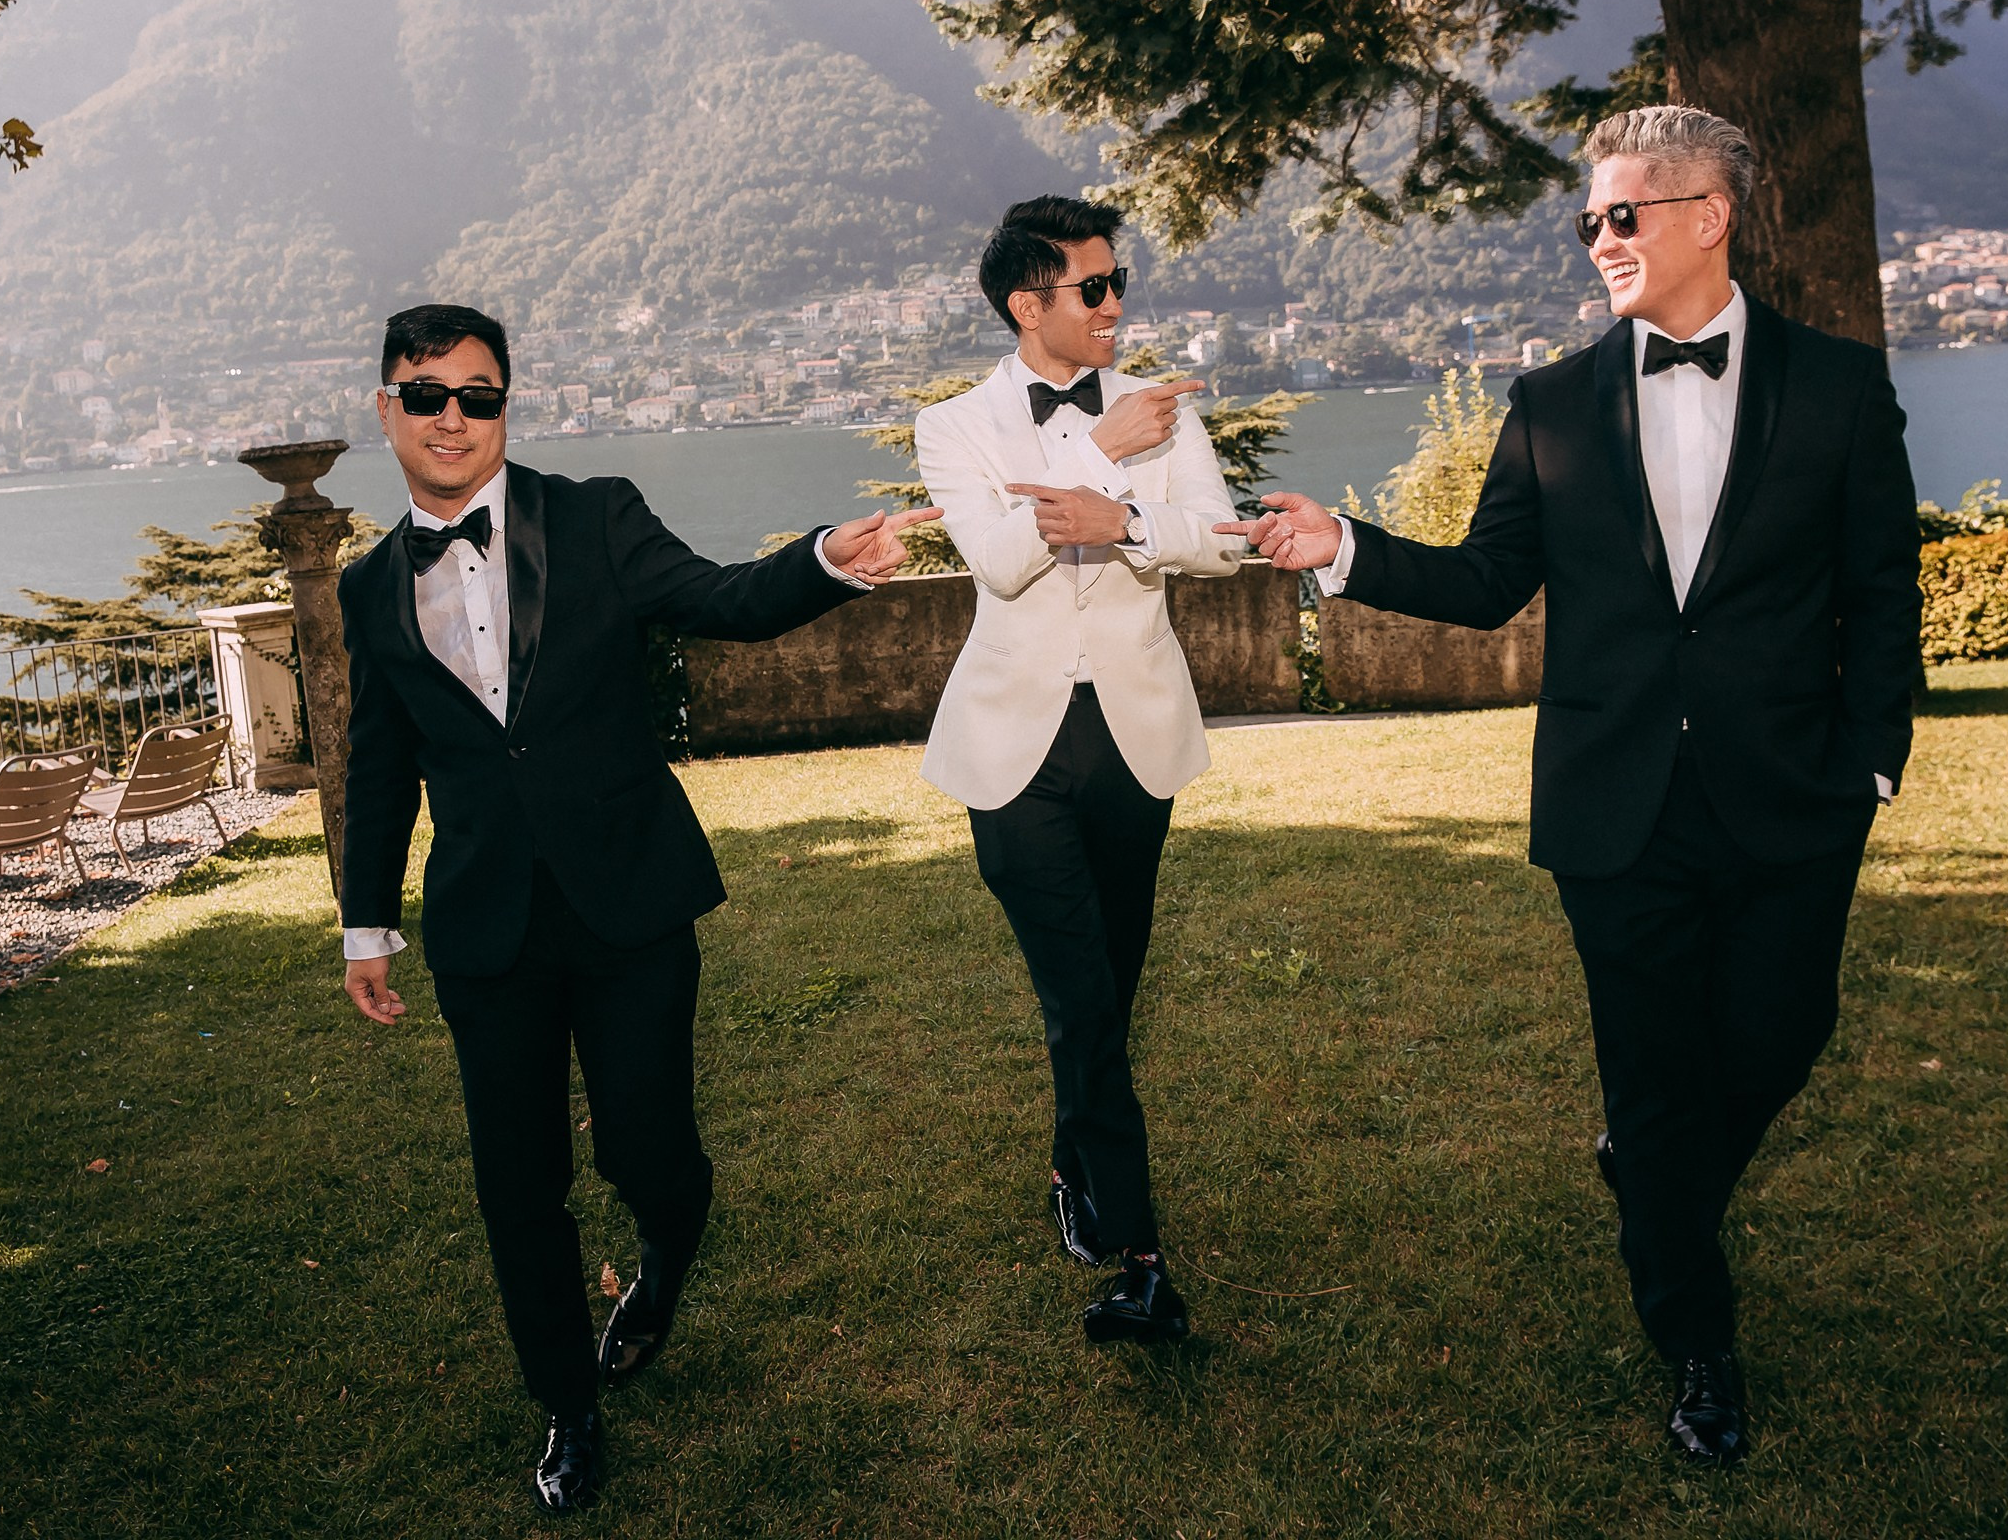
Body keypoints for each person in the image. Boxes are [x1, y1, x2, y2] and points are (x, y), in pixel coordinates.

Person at [1219, 107, 1921, 1466]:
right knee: (1653, 1077)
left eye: (1622, 215)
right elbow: (1489, 583)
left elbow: (1881, 590)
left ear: (1709, 216)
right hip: (1615, 804)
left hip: (1795, 794)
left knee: (1782, 1035)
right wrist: (1341, 543)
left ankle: (1652, 1175)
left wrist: (1873, 759)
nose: (1598, 239)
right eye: (1589, 220)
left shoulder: (1841, 386)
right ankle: (1698, 1342)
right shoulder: (1549, 405)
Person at [337, 303, 937, 1515]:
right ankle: (568, 1404)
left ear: (506, 407)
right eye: (428, 394)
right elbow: (381, 761)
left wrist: (825, 559)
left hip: (631, 898)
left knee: (649, 1151)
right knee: (518, 1185)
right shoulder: (367, 585)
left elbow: (722, 598)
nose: (454, 418)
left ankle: (663, 1263)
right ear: (386, 408)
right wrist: (366, 922)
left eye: (479, 395)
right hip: (486, 927)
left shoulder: (596, 515)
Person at [916, 195, 1244, 1343]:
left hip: (1134, 738)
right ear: (1028, 304)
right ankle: (1144, 1255)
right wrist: (1096, 453)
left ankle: (1071, 1162)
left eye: (1118, 283)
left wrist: (1130, 524)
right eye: (1092, 288)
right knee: (1081, 997)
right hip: (1014, 751)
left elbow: (1219, 542)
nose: (1114, 306)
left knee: (1109, 984)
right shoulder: (955, 426)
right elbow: (1002, 559)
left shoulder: (1161, 409)